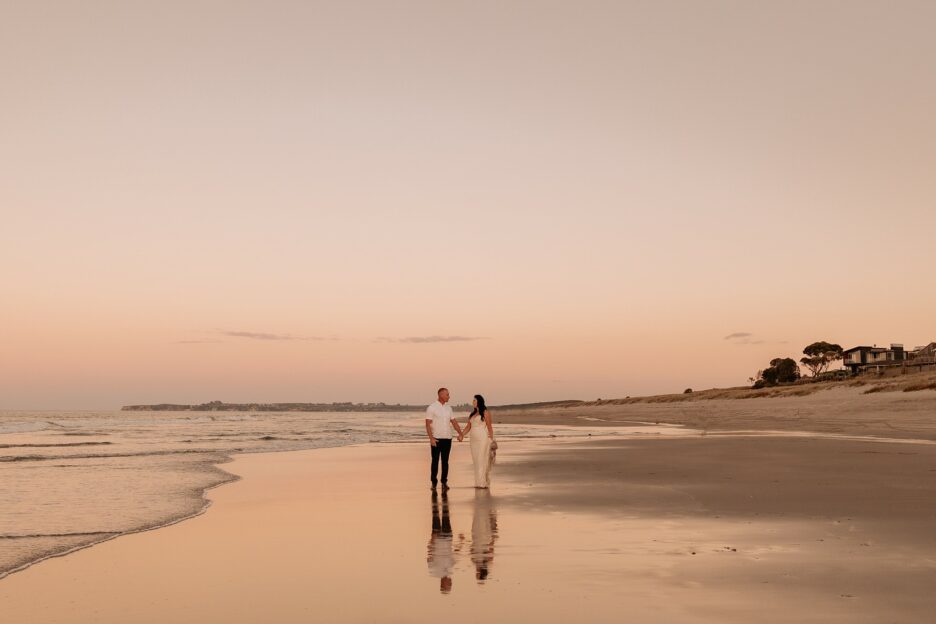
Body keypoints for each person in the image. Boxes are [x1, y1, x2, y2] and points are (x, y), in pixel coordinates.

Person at [425, 387, 464, 491]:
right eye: (447, 394)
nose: (449, 396)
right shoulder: (432, 407)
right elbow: (427, 424)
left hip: (447, 438)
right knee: (435, 461)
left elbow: (454, 422)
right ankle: (434, 482)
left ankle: (444, 482)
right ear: (441, 395)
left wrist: (460, 433)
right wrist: (431, 438)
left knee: (445, 461)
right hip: (436, 439)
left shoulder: (449, 408)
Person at [461, 394, 495, 488]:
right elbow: (468, 427)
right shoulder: (472, 414)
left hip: (482, 439)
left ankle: (482, 483)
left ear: (479, 401)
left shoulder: (485, 412)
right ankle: (478, 482)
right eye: (473, 401)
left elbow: (489, 426)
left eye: (474, 401)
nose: (473, 402)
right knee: (476, 460)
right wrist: (461, 435)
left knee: (481, 459)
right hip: (473, 440)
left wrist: (492, 439)